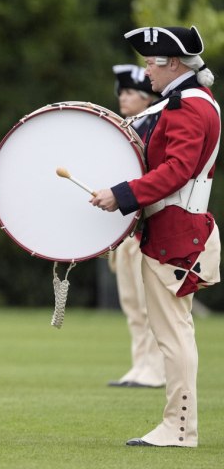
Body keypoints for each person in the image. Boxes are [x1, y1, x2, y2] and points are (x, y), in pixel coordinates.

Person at [90, 25, 220, 448]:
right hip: (175, 229)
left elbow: (177, 170)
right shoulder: (188, 103)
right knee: (172, 332)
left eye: (151, 63)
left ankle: (179, 427)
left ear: (175, 64)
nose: (146, 72)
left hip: (175, 231)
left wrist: (122, 195)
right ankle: (179, 425)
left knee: (173, 334)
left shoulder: (187, 107)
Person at [106, 64, 165, 388]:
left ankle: (156, 368)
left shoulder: (154, 127)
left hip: (146, 221)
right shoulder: (127, 128)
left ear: (145, 97)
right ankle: (141, 363)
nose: (123, 98)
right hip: (126, 224)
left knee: (148, 302)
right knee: (131, 301)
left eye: (129, 93)